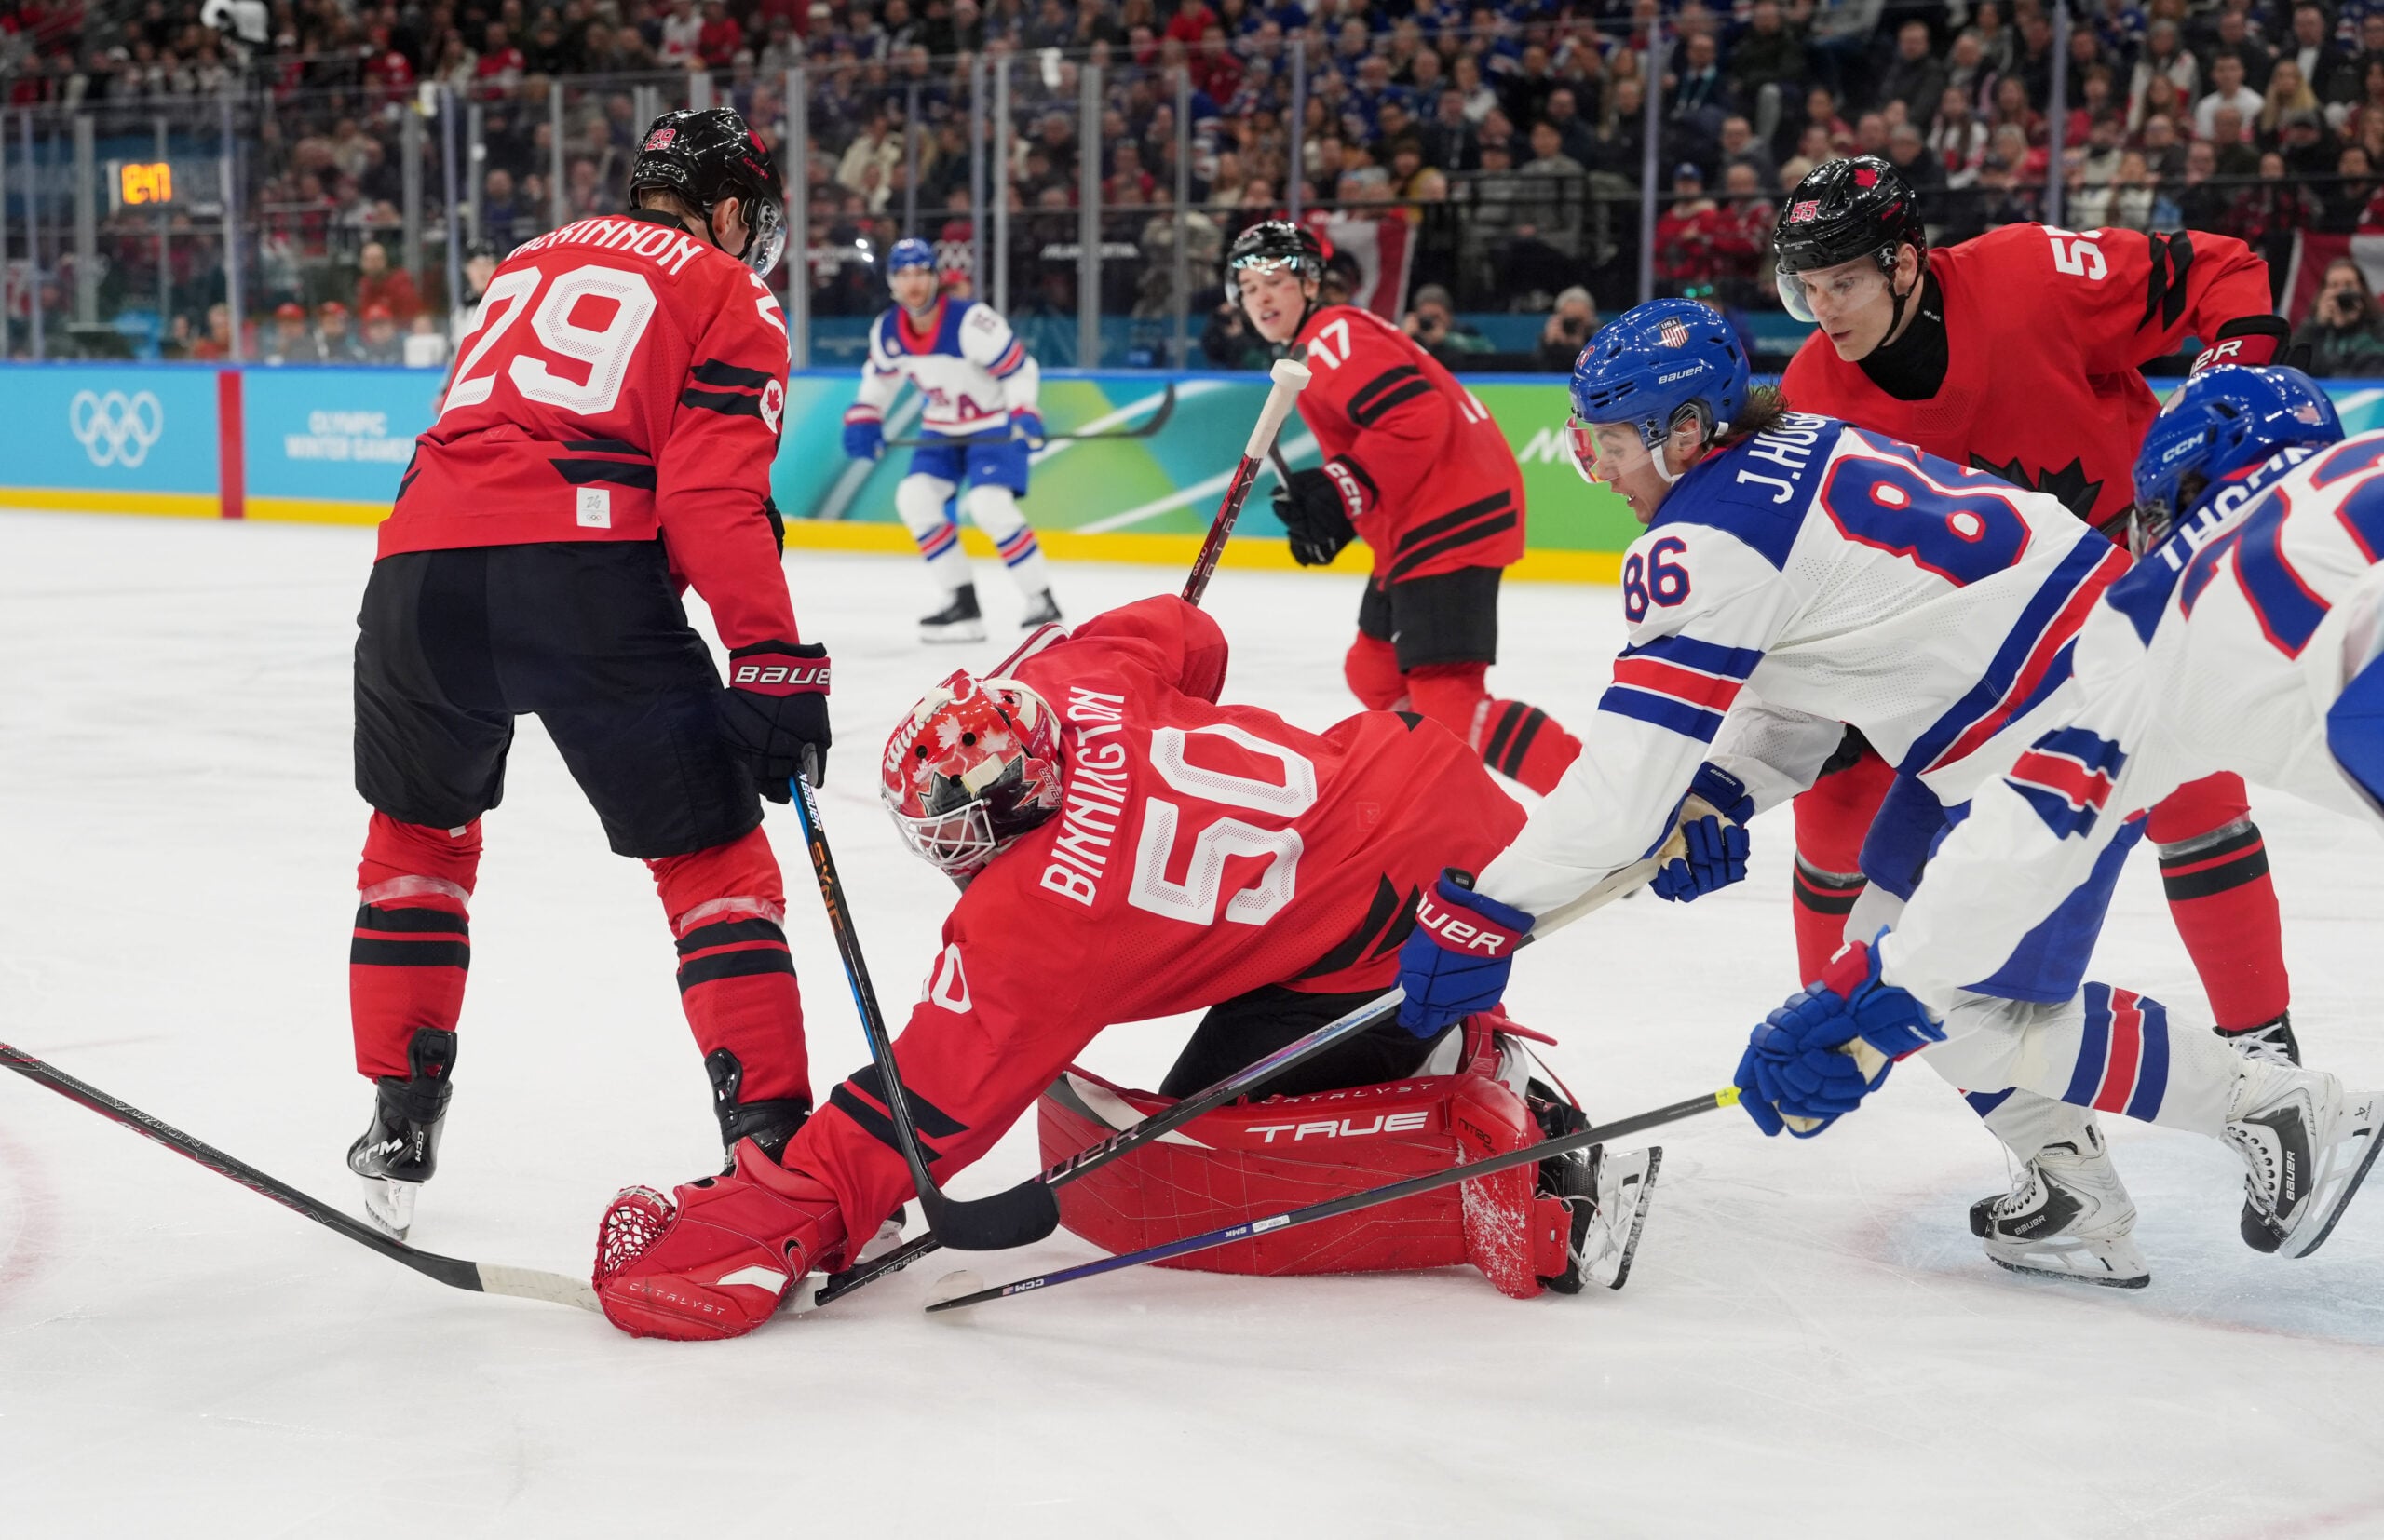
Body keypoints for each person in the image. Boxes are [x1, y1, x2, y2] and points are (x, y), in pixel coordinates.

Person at [590, 597, 1659, 1340]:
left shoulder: (1034, 924)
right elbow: (1189, 635)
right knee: (1230, 1048)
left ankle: (1506, 1155)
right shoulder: (1069, 679)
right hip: (1411, 773)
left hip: (1413, 912)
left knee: (1206, 1157)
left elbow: (922, 1109)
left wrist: (766, 1225)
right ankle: (1431, 1041)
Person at [1389, 300, 2156, 1261]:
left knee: (1932, 990)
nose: (1600, 471)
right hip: (2034, 687)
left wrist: (1486, 909)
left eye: (1613, 443)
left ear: (1684, 431)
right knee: (1884, 961)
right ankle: (2074, 1181)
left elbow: (1621, 798)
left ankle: (2281, 1108)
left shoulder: (1703, 540)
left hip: (2048, 719)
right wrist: (1720, 790)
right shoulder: (1794, 441)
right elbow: (1814, 681)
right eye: (1587, 443)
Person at [1730, 366, 2384, 1286]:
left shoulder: (2168, 619)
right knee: (1926, 967)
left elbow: (2027, 833)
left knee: (1956, 993)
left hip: (2014, 722)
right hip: (1963, 734)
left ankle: (2263, 1102)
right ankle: (2082, 1171)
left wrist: (1880, 992)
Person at [343, 108, 829, 1239]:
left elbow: (508, 430)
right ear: (720, 209)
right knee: (713, 866)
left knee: (417, 842)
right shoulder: (727, 289)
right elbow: (707, 497)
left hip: (415, 571)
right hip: (582, 575)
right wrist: (771, 655)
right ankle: (773, 1155)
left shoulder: (528, 256)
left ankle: (398, 1119)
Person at [1767, 155, 2303, 1071]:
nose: (1824, 308)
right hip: (1975, 645)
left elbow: (2222, 269)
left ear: (1905, 263)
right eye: (1806, 285)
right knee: (1835, 798)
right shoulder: (1812, 398)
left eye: (1844, 280)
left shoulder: (2029, 276)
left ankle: (2261, 1045)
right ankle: (1843, 1027)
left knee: (2193, 795)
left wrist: (2216, 394)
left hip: (2124, 582)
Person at [1225, 221, 1583, 796]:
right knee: (1372, 670)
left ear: (1311, 283)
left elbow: (1415, 416)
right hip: (1423, 518)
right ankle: (1434, 791)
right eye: (1246, 287)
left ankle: (1601, 808)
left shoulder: (1331, 333)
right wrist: (1344, 504)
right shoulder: (1324, 340)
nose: (1260, 296)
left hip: (1449, 513)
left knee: (1451, 698)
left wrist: (1343, 486)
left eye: (1274, 279)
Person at [841, 236, 1061, 642]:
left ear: (935, 277)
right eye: (904, 275)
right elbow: (880, 381)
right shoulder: (887, 329)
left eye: (921, 273)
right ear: (891, 282)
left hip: (993, 425)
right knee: (915, 498)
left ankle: (1041, 600)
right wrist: (865, 417)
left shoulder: (972, 322)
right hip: (940, 429)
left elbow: (1019, 369)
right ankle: (963, 605)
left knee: (989, 504)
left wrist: (1025, 410)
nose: (913, 283)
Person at [2291, 257, 2384, 375]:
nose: (2342, 292)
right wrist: (2317, 324)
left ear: (2361, 288)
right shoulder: (2312, 328)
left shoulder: (2378, 326)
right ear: (2323, 292)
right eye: (2334, 285)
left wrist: (2351, 326)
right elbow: (2294, 367)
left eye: (2348, 285)